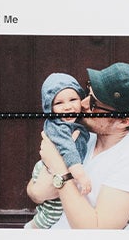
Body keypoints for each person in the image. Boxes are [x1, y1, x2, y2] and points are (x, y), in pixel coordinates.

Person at [29, 62, 129, 230]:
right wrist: (40, 190)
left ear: (123, 121)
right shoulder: (84, 135)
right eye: (87, 92)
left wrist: (59, 168)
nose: (82, 104)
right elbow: (35, 192)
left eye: (93, 103)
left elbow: (95, 232)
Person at [24, 73, 91, 230]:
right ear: (50, 108)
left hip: (59, 168)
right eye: (59, 103)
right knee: (52, 212)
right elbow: (68, 150)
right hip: (48, 169)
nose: (67, 106)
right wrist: (80, 175)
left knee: (53, 208)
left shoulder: (75, 123)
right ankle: (31, 229)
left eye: (73, 100)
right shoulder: (58, 127)